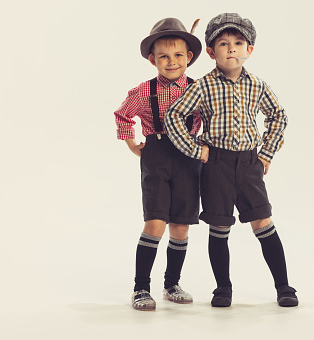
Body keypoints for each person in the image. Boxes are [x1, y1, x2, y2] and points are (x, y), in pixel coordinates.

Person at [164, 13, 298, 307]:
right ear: (211, 52)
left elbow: (278, 117)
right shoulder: (203, 86)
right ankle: (223, 288)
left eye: (239, 42)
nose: (232, 48)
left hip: (250, 165)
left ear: (249, 50)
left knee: (263, 221)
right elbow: (173, 115)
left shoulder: (257, 85)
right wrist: (194, 149)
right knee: (220, 226)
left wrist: (266, 153)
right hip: (217, 166)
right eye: (223, 43)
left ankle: (284, 286)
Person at [114, 17, 202, 311]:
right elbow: (122, 115)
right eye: (163, 56)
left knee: (180, 226)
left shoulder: (198, 89)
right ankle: (140, 288)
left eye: (178, 55)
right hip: (156, 155)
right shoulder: (143, 91)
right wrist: (132, 143)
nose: (171, 61)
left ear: (189, 57)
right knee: (155, 222)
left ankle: (172, 283)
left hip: (189, 158)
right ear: (153, 60)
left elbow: (211, 120)